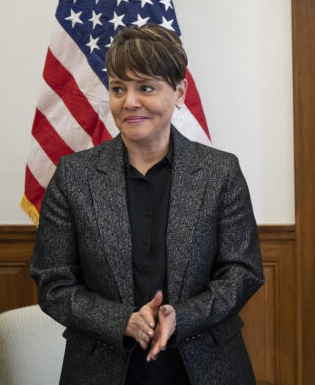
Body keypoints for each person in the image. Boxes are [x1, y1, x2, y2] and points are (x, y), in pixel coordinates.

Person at [30, 24, 264, 385]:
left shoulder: (221, 172)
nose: (130, 102)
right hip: (102, 367)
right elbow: (54, 284)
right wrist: (121, 320)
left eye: (146, 88)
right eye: (118, 88)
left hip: (205, 366)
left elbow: (242, 272)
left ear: (179, 92)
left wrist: (180, 317)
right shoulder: (73, 176)